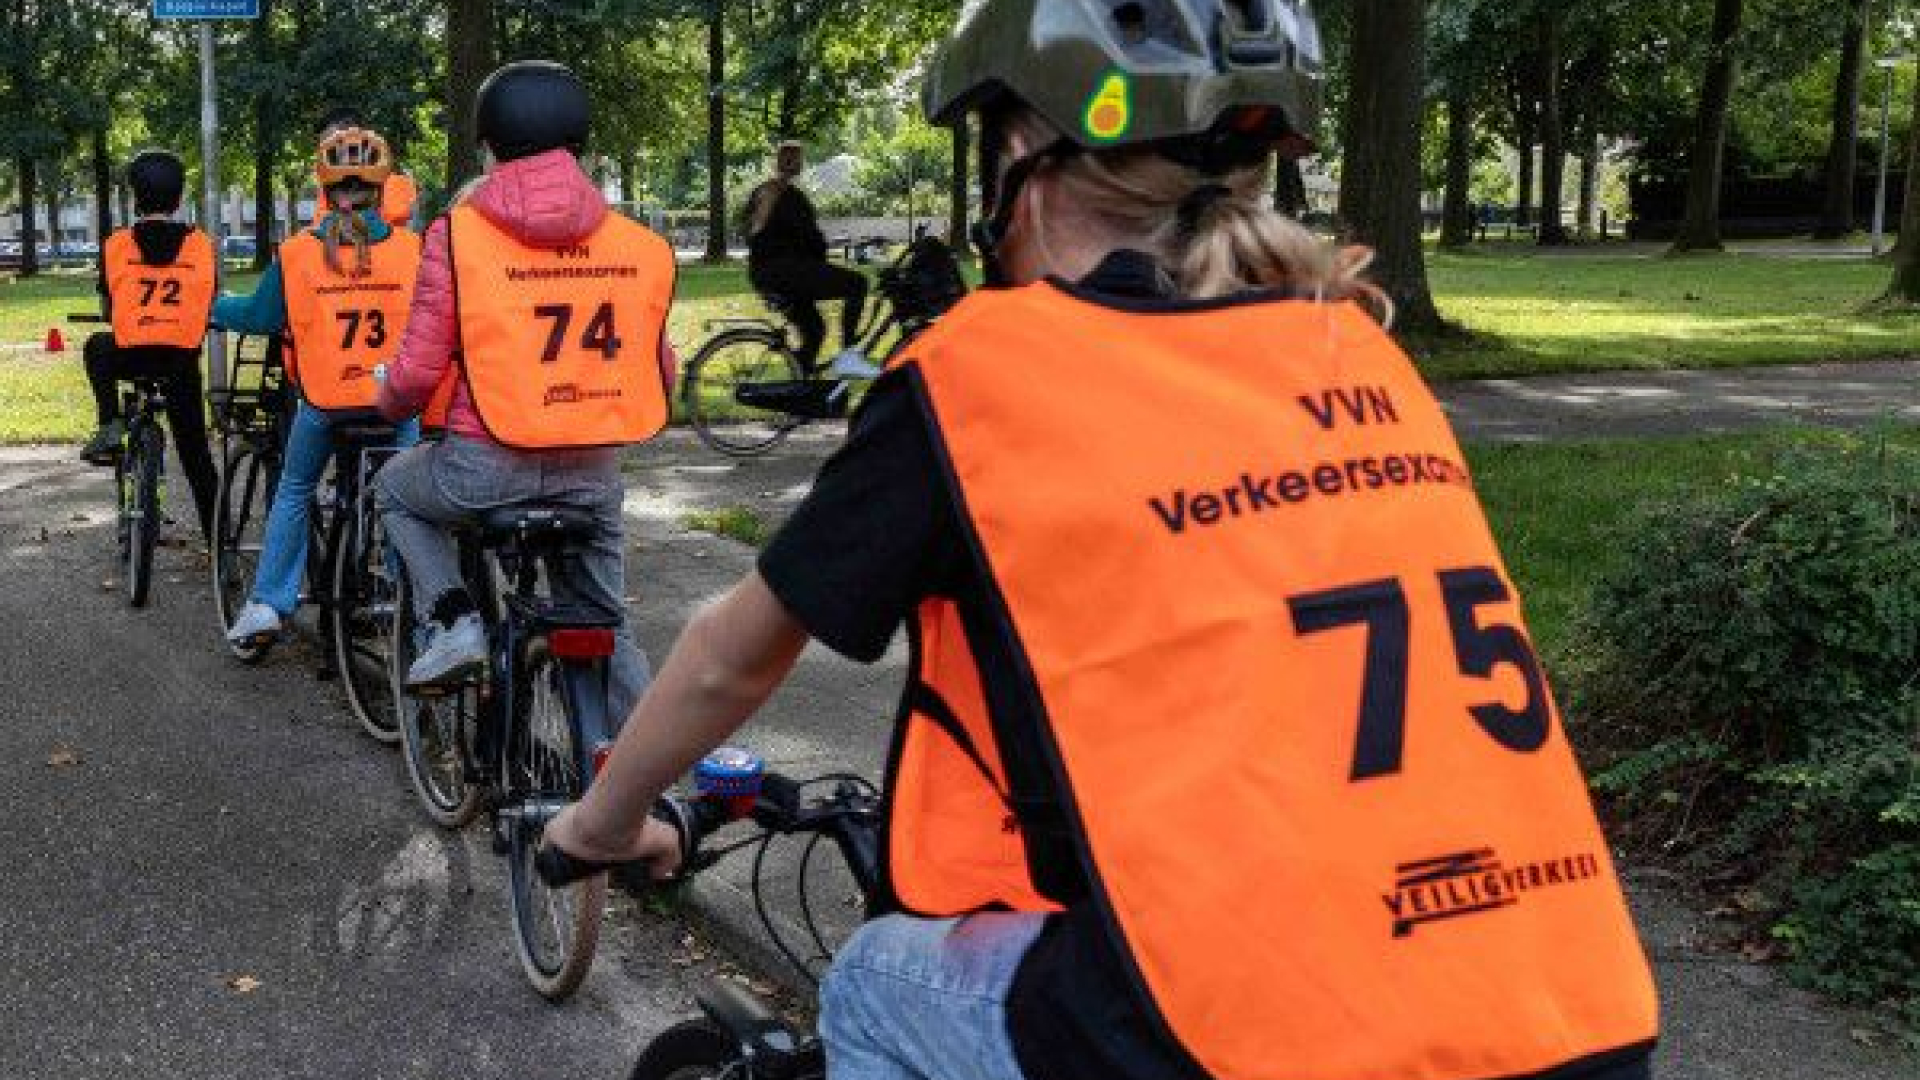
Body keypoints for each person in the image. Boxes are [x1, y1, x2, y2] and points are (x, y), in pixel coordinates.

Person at [542, 3, 1662, 1080]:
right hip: (1568, 1007)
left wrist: (602, 824)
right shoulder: (1353, 354)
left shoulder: (984, 374)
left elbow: (735, 652)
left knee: (880, 976)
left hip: (1260, 1037)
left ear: (1020, 150)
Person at [373, 60, 675, 709]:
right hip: (592, 474)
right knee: (606, 626)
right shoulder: (636, 244)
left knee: (392, 490)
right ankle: (653, 789)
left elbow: (421, 371)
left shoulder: (456, 236)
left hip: (482, 470)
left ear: (488, 146)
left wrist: (387, 400)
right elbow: (660, 370)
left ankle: (454, 623)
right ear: (581, 148)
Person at [222, 125, 423, 648]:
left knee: (293, 488)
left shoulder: (296, 254)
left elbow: (262, 318)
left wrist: (214, 308)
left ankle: (269, 602)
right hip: (394, 403)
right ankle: (409, 601)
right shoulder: (415, 251)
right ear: (383, 187)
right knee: (404, 499)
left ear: (324, 189)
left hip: (325, 403)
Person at [81, 150, 221, 543]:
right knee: (196, 456)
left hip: (131, 353)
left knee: (97, 346)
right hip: (180, 359)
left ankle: (109, 423)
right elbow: (209, 297)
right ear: (178, 200)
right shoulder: (201, 246)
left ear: (135, 199)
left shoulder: (115, 245)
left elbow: (109, 303)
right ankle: (219, 546)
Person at [743, 141, 876, 377]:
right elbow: (802, 237)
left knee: (815, 330)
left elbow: (780, 233)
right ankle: (848, 356)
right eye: (795, 158)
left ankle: (801, 384)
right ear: (790, 162)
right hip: (784, 272)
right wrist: (822, 256)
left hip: (769, 273)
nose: (798, 163)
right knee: (857, 284)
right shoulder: (782, 194)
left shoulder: (771, 192)